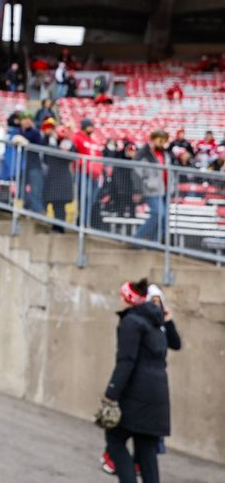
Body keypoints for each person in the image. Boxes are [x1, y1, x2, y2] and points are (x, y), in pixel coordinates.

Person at [99, 279, 174, 483]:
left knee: (114, 440)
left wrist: (111, 394)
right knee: (146, 449)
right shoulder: (155, 323)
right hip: (158, 398)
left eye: (123, 297)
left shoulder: (131, 322)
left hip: (136, 397)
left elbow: (126, 361)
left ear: (128, 299)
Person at [134, 130, 169, 244]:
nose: (162, 143)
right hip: (151, 190)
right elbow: (136, 171)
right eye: (160, 140)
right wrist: (139, 189)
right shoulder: (144, 154)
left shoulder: (165, 154)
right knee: (158, 214)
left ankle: (155, 244)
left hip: (164, 190)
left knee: (163, 219)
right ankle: (137, 239)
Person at [43, 124, 74, 232]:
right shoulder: (51, 143)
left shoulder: (69, 146)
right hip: (52, 179)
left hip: (62, 181)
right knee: (51, 205)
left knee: (60, 207)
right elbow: (46, 158)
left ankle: (59, 228)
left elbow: (70, 156)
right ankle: (52, 225)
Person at [72, 118, 103, 227]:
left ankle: (85, 221)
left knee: (91, 199)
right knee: (84, 196)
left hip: (94, 175)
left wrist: (98, 169)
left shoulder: (94, 141)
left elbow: (99, 156)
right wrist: (85, 164)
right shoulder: (77, 138)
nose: (92, 128)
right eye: (90, 126)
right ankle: (82, 222)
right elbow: (74, 155)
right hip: (82, 172)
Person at [14, 112, 45, 213]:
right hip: (22, 165)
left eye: (29, 119)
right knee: (21, 188)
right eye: (25, 119)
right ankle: (27, 206)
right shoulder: (18, 132)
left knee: (35, 189)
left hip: (34, 165)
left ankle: (36, 209)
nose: (27, 121)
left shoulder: (35, 133)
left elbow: (40, 146)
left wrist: (27, 143)